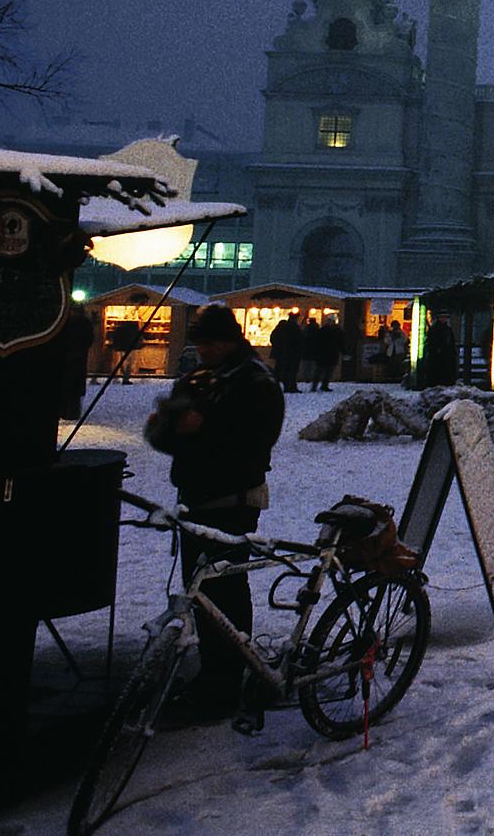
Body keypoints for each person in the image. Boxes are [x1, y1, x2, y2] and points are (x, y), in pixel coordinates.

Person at [142, 304, 285, 723]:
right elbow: (160, 434)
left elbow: (257, 441)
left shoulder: (256, 382)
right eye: (198, 342)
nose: (201, 350)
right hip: (196, 498)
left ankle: (226, 681)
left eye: (208, 342)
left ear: (228, 340)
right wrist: (173, 429)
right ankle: (214, 673)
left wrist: (200, 429)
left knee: (225, 591)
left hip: (232, 501)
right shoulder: (199, 377)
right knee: (200, 592)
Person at [268, 313, 302, 395]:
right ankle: (291, 387)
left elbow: (273, 338)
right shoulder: (294, 328)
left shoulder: (281, 328)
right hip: (292, 353)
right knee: (291, 371)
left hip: (282, 354)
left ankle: (285, 386)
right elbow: (299, 340)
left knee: (282, 371)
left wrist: (277, 347)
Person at [311, 314, 344, 392]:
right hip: (324, 353)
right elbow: (317, 342)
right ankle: (315, 386)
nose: (331, 322)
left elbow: (341, 342)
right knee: (320, 371)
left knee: (328, 371)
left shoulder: (335, 331)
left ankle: (324, 385)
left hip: (330, 353)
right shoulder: (327, 330)